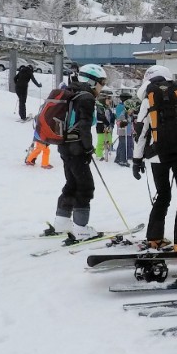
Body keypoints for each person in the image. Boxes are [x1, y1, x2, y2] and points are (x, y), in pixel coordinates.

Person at [132, 65, 177, 250]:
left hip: (157, 156)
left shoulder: (147, 100)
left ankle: (154, 238)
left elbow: (141, 134)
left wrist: (137, 160)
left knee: (163, 196)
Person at [50, 63, 107, 240]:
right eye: (101, 82)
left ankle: (61, 222)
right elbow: (84, 126)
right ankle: (81, 229)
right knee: (85, 186)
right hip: (77, 148)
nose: (102, 87)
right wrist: (88, 148)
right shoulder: (86, 97)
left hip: (64, 146)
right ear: (92, 80)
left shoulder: (71, 91)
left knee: (72, 184)